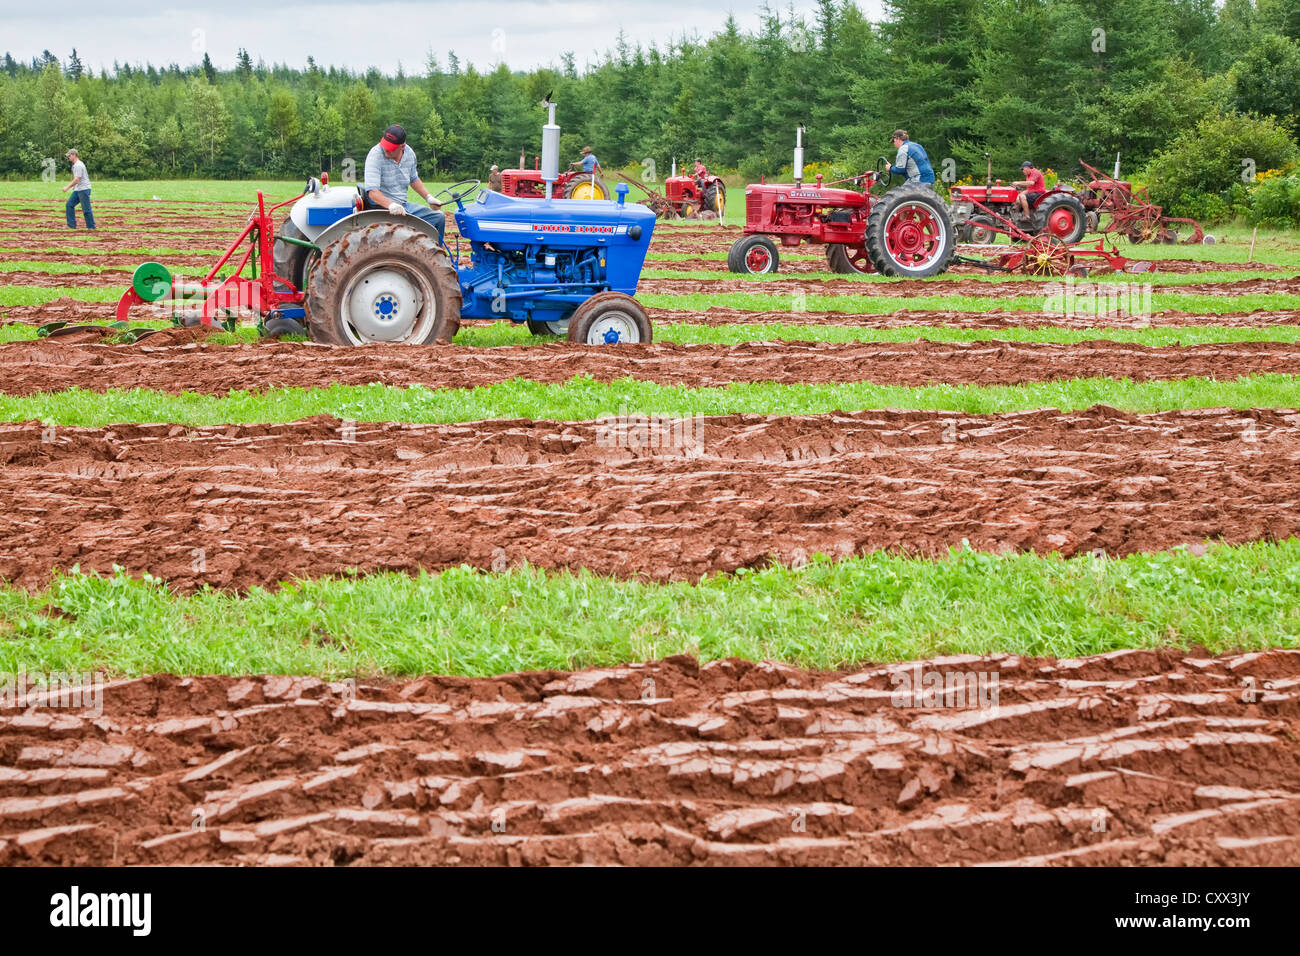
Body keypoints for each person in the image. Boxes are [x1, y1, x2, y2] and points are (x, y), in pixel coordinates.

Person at [362, 124, 445, 242]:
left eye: (390, 147)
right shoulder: (375, 155)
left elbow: (413, 179)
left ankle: (434, 254)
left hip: (403, 206)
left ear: (402, 146)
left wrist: (429, 197)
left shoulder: (409, 154)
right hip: (383, 209)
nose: (386, 149)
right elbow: (373, 193)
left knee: (438, 217)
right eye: (385, 145)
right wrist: (391, 205)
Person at [62, 148, 96, 230]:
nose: (68, 157)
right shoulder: (76, 165)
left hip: (84, 189)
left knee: (86, 209)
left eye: (69, 156)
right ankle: (71, 225)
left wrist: (67, 187)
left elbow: (77, 179)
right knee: (69, 205)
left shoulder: (78, 165)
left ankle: (91, 227)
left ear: (74, 155)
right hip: (78, 189)